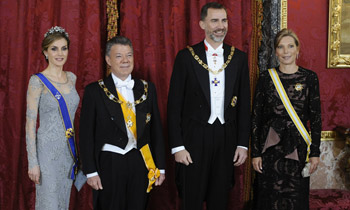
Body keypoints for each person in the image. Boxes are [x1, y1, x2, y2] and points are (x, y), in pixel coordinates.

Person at [167, 2, 251, 210]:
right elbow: (173, 106)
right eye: (214, 21)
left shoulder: (238, 58)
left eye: (224, 20)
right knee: (192, 200)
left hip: (226, 138)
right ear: (202, 24)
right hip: (193, 139)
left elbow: (244, 105)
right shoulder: (186, 57)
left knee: (219, 200)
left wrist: (242, 143)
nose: (220, 26)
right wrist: (178, 146)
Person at [79, 36, 165, 210]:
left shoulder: (147, 88)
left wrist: (160, 167)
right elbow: (86, 134)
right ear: (108, 60)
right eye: (119, 56)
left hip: (139, 161)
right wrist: (91, 171)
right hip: (109, 162)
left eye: (129, 55)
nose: (125, 60)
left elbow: (156, 131)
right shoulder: (94, 91)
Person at [251, 28, 321, 210]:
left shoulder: (309, 78)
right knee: (269, 197)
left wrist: (314, 153)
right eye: (281, 47)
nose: (286, 51)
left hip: (297, 146)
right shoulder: (266, 78)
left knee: (295, 197)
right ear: (275, 51)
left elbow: (316, 118)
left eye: (290, 46)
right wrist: (256, 153)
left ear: (298, 50)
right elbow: (256, 118)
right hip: (270, 147)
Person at [25, 26, 80, 209]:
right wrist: (33, 162)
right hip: (46, 153)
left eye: (64, 48)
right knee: (49, 205)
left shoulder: (72, 78)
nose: (60, 53)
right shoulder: (37, 81)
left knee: (63, 203)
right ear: (45, 52)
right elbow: (30, 124)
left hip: (68, 153)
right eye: (54, 48)